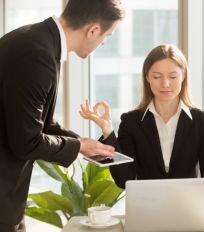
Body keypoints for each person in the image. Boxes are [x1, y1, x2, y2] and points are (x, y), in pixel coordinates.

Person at [0, 0, 125, 231]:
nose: (104, 42)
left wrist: (83, 143)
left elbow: (37, 121)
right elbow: (27, 142)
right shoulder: (37, 55)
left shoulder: (35, 39)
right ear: (93, 30)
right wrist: (77, 146)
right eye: (107, 35)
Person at [80, 44, 204, 188]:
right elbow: (124, 180)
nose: (165, 84)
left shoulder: (202, 121)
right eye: (157, 76)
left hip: (189, 212)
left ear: (183, 76)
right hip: (147, 212)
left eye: (172, 76)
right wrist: (107, 131)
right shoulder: (131, 121)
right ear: (147, 77)